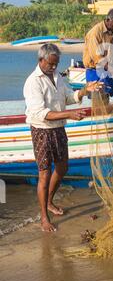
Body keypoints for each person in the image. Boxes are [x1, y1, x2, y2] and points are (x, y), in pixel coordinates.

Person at [24, 43, 101, 232]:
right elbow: (41, 113)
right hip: (42, 130)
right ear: (41, 60)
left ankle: (49, 202)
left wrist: (84, 90)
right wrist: (68, 115)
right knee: (44, 173)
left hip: (58, 129)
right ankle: (44, 216)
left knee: (62, 167)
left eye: (56, 64)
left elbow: (68, 97)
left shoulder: (57, 76)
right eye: (50, 63)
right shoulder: (33, 82)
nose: (53, 67)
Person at [83, 8, 113, 100]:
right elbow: (98, 59)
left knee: (107, 96)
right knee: (97, 98)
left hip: (108, 70)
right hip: (95, 71)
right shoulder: (95, 33)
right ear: (108, 20)